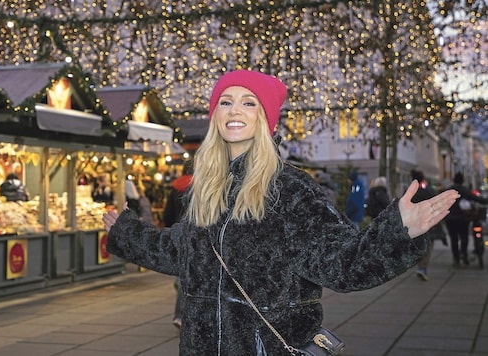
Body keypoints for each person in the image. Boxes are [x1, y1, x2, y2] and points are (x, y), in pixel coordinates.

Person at [102, 69, 459, 355]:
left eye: (248, 102)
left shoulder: (289, 189)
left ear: (265, 117)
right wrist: (127, 232)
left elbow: (341, 263)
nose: (234, 110)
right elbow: (179, 252)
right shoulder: (206, 189)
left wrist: (396, 231)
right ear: (215, 116)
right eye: (225, 102)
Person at [162, 160, 193, 329]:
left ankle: (182, 313)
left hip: (177, 235)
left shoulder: (175, 189)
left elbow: (167, 215)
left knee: (181, 275)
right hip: (193, 236)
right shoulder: (202, 186)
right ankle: (181, 315)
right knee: (185, 276)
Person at [444, 172, 488, 267]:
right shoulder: (465, 190)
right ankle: (464, 254)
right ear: (462, 180)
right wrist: (485, 201)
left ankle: (456, 258)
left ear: (454, 179)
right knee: (464, 237)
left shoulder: (448, 190)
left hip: (450, 218)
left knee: (454, 239)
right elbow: (476, 198)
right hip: (462, 219)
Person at [410, 170, 447, 281]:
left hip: (416, 224)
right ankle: (423, 269)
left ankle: (420, 267)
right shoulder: (429, 191)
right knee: (428, 247)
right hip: (430, 224)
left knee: (419, 246)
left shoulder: (410, 193)